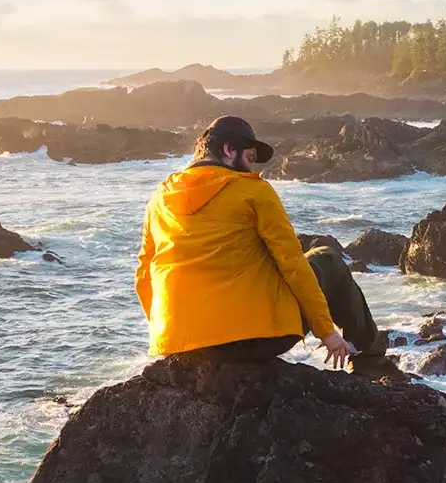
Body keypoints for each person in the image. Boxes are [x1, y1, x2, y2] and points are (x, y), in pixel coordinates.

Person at [135, 115, 383, 370]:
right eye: (251, 159)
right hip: (253, 342)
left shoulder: (159, 199)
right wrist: (326, 333)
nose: (253, 169)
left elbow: (144, 276)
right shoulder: (254, 192)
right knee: (327, 259)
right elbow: (293, 266)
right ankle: (371, 361)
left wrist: (170, 333)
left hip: (186, 347)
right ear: (229, 150)